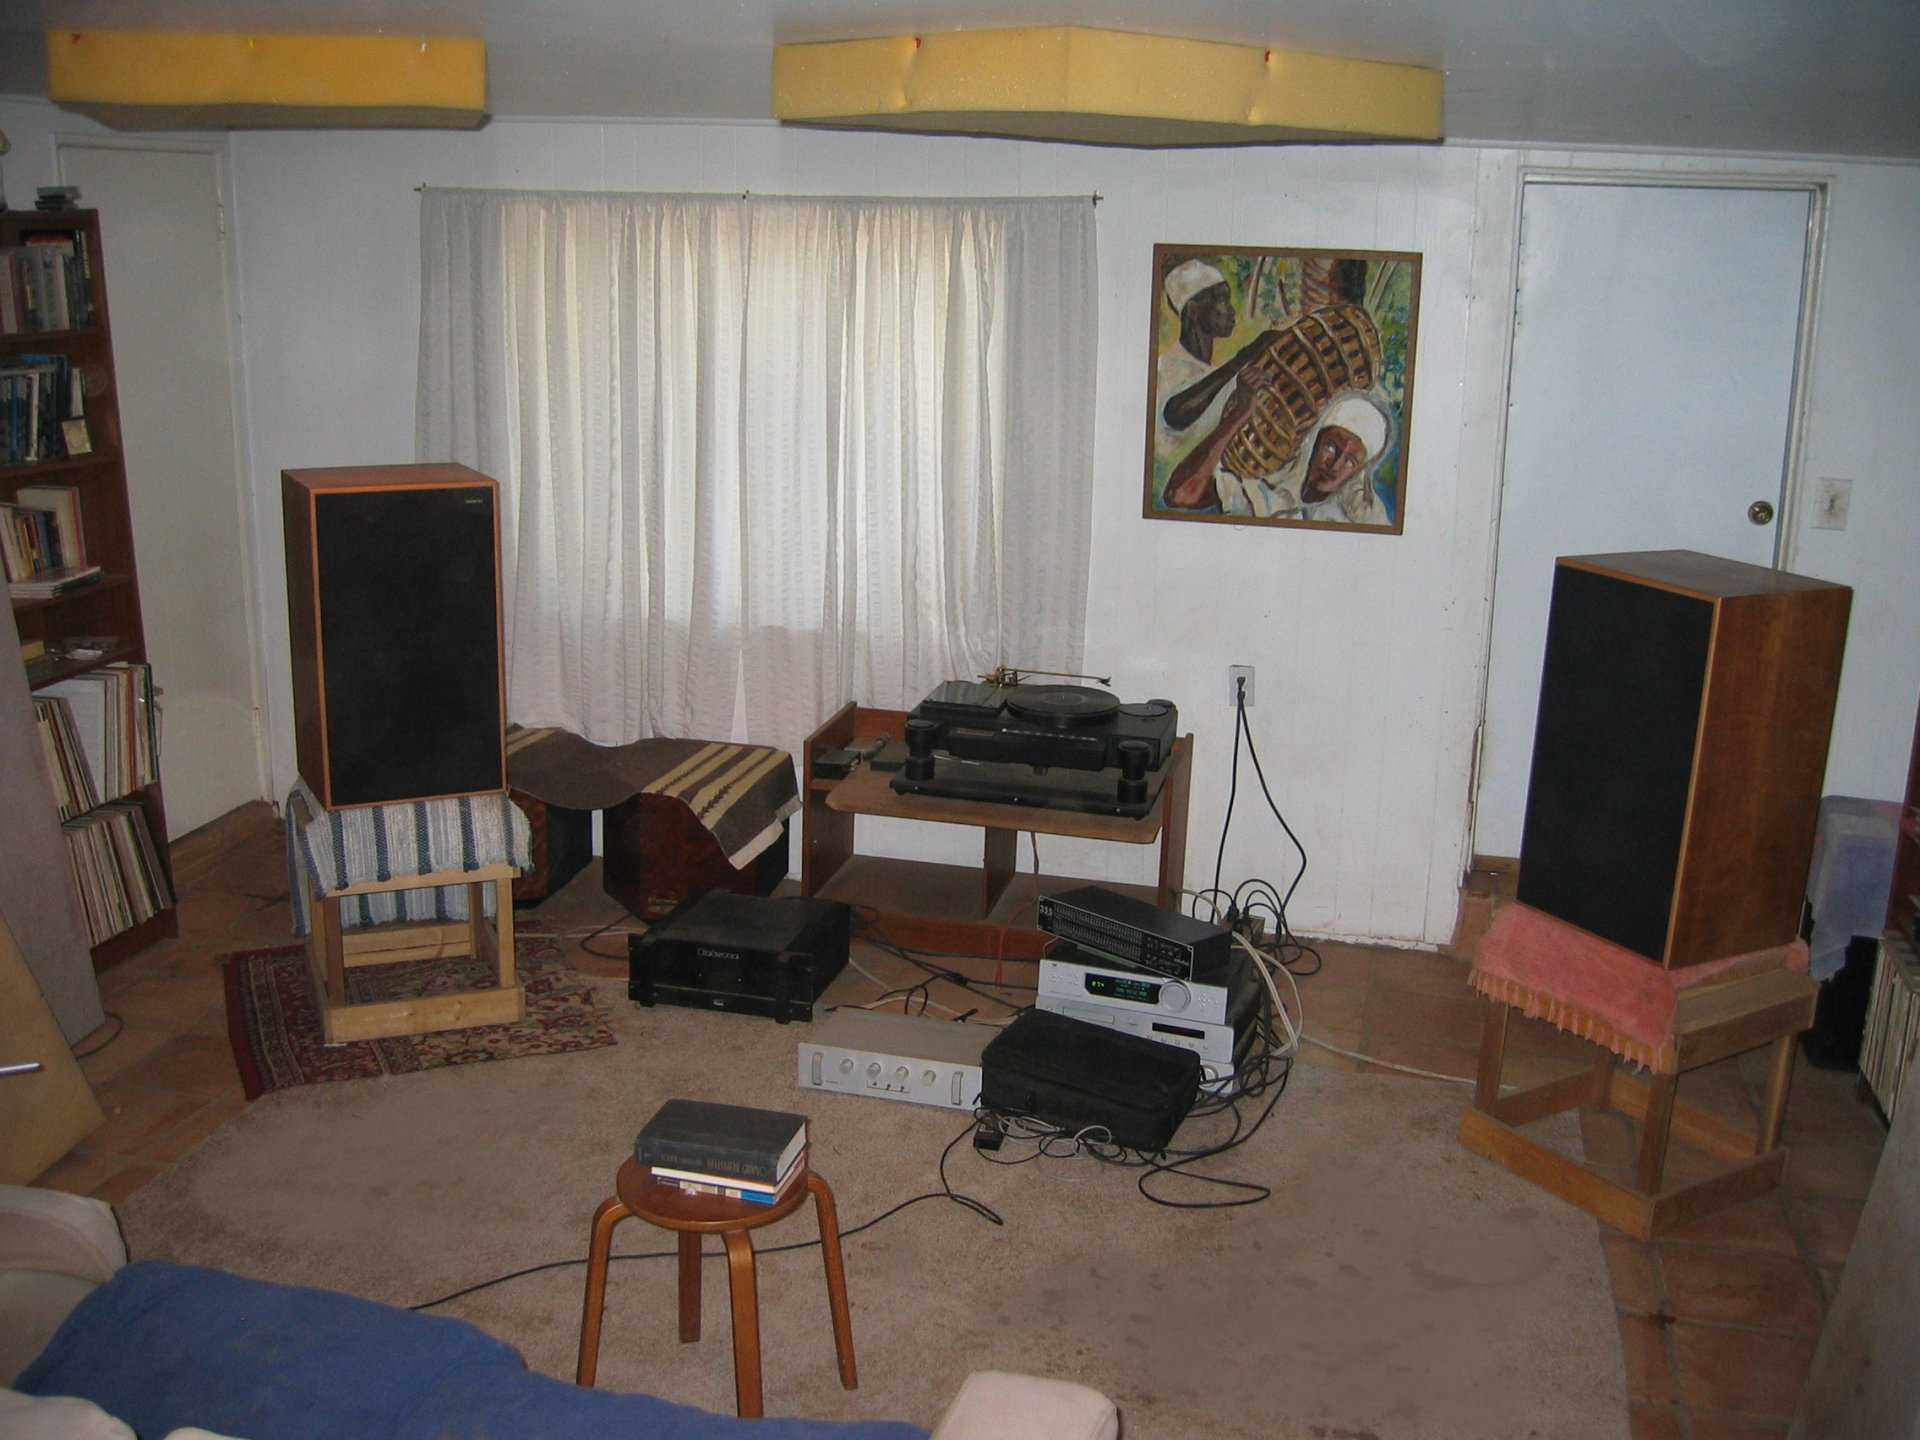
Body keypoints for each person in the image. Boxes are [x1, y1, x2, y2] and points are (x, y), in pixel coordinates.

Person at [1171, 382, 1395, 525]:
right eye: (1331, 447)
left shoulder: (1359, 520)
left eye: (1350, 461)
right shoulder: (1268, 497)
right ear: (1314, 442)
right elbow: (1179, 494)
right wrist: (1238, 414)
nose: (1335, 466)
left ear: (1358, 471)